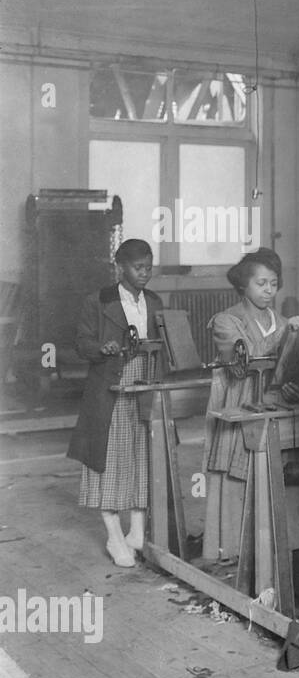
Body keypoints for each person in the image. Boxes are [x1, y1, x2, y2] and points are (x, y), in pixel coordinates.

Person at [202, 249, 299, 606]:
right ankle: (250, 582)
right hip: (241, 423)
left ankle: (296, 583)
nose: (269, 290)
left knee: (297, 499)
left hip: (281, 420)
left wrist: (296, 385)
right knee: (246, 504)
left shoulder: (286, 322)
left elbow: (293, 371)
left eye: (274, 283)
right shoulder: (226, 321)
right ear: (243, 283)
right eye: (261, 282)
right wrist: (289, 338)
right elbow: (244, 362)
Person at [68, 239, 163, 568]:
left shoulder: (153, 300)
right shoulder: (97, 300)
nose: (145, 274)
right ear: (120, 267)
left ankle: (136, 532)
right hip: (110, 386)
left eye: (149, 267)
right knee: (108, 459)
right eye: (138, 268)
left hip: (145, 382)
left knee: (141, 456)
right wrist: (101, 347)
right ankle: (113, 534)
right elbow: (81, 343)